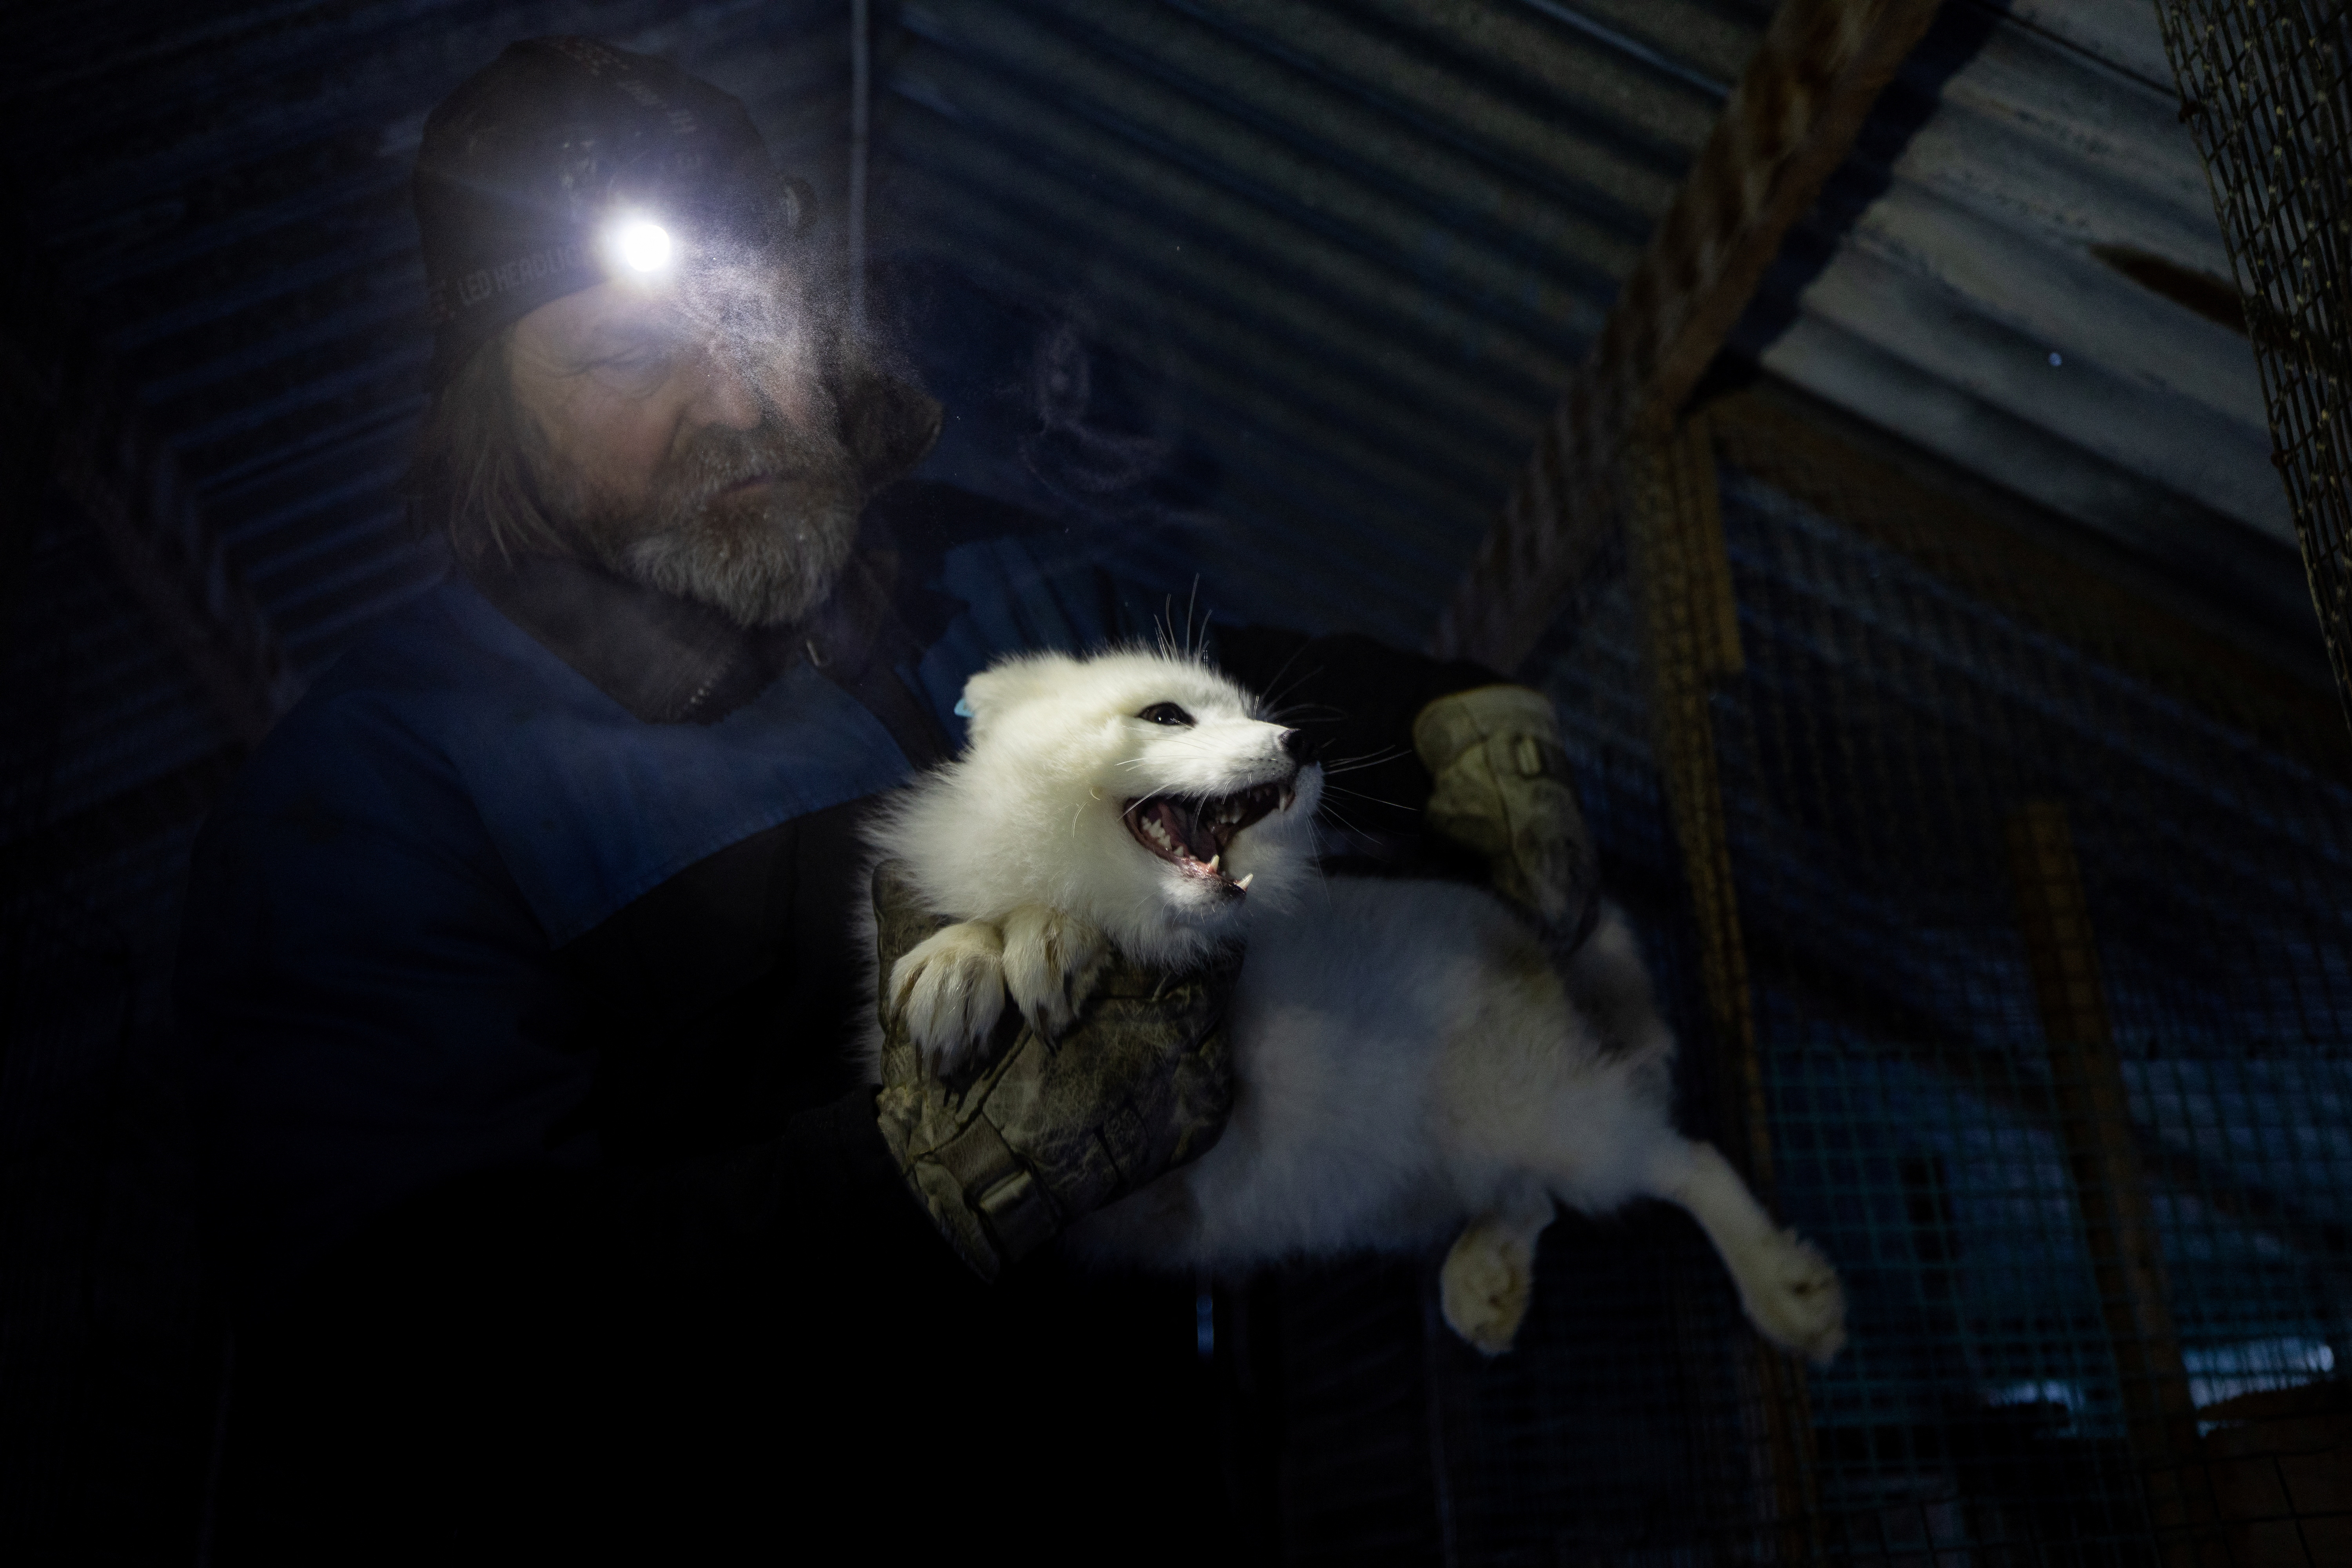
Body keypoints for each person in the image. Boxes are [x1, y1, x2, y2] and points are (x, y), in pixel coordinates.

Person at [178, 36, 1593, 1565]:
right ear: (493, 423)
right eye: (623, 356)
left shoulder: (970, 582)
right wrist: (918, 1183)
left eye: (755, 320)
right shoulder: (376, 792)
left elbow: (1236, 684)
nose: (734, 401)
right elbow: (407, 1355)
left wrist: (1440, 720)